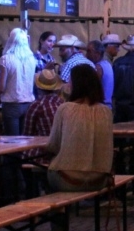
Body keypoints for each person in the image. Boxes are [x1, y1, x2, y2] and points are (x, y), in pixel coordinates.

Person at [46, 64, 114, 193]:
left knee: (43, 171)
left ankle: (47, 205)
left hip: (67, 180)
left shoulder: (65, 109)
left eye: (70, 81)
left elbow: (53, 145)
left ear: (76, 85)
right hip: (99, 180)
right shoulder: (106, 111)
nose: (68, 85)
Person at [0, 28, 37, 203]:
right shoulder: (32, 59)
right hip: (28, 103)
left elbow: (1, 86)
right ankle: (27, 188)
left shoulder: (6, 59)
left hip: (11, 104)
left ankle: (11, 191)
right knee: (24, 146)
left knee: (11, 148)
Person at [85, 39, 114, 107]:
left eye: (89, 51)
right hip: (107, 105)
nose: (86, 55)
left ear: (97, 53)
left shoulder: (98, 68)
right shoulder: (107, 64)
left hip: (101, 106)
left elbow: (92, 88)